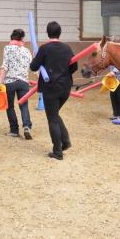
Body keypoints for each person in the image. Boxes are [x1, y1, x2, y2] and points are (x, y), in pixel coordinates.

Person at [30, 21, 78, 161]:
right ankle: (65, 141)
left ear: (48, 32)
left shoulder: (45, 49)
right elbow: (74, 67)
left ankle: (57, 151)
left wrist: (36, 56)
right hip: (65, 88)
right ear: (59, 32)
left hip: (50, 88)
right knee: (55, 115)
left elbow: (33, 67)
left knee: (52, 119)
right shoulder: (67, 48)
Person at [0, 29, 33, 140]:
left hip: (10, 83)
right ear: (22, 39)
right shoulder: (26, 51)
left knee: (9, 106)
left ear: (11, 38)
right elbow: (33, 67)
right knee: (24, 105)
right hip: (23, 82)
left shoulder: (7, 48)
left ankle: (14, 130)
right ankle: (27, 126)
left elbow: (5, 66)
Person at [106, 35, 120, 121]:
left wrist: (114, 72)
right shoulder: (113, 52)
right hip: (113, 78)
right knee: (113, 95)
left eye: (112, 42)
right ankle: (116, 114)